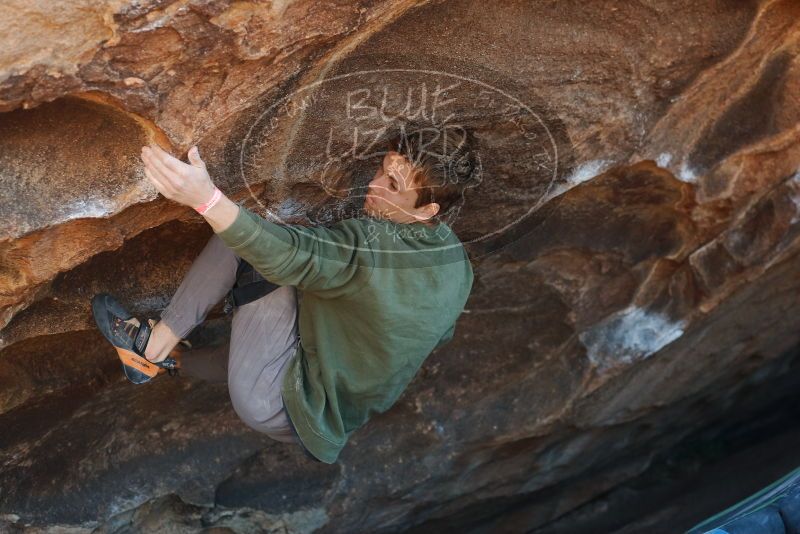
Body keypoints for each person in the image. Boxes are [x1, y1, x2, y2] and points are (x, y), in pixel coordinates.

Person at [104, 126, 476, 464]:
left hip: (275, 399)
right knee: (282, 320)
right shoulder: (457, 265)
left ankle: (151, 346)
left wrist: (205, 198)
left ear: (428, 208)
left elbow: (282, 252)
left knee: (249, 240)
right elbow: (436, 334)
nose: (374, 186)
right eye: (382, 171)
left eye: (393, 187)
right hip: (326, 420)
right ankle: (174, 361)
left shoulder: (371, 247)